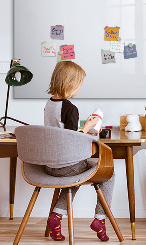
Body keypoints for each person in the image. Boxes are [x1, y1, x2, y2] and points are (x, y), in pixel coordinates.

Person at [44, 61, 115, 242]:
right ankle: (100, 219)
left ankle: (56, 217)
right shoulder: (70, 108)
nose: (79, 89)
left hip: (50, 165)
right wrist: (88, 127)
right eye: (79, 85)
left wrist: (85, 129)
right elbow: (72, 140)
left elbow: (61, 133)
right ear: (70, 84)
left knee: (74, 177)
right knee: (109, 173)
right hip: (67, 165)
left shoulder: (49, 104)